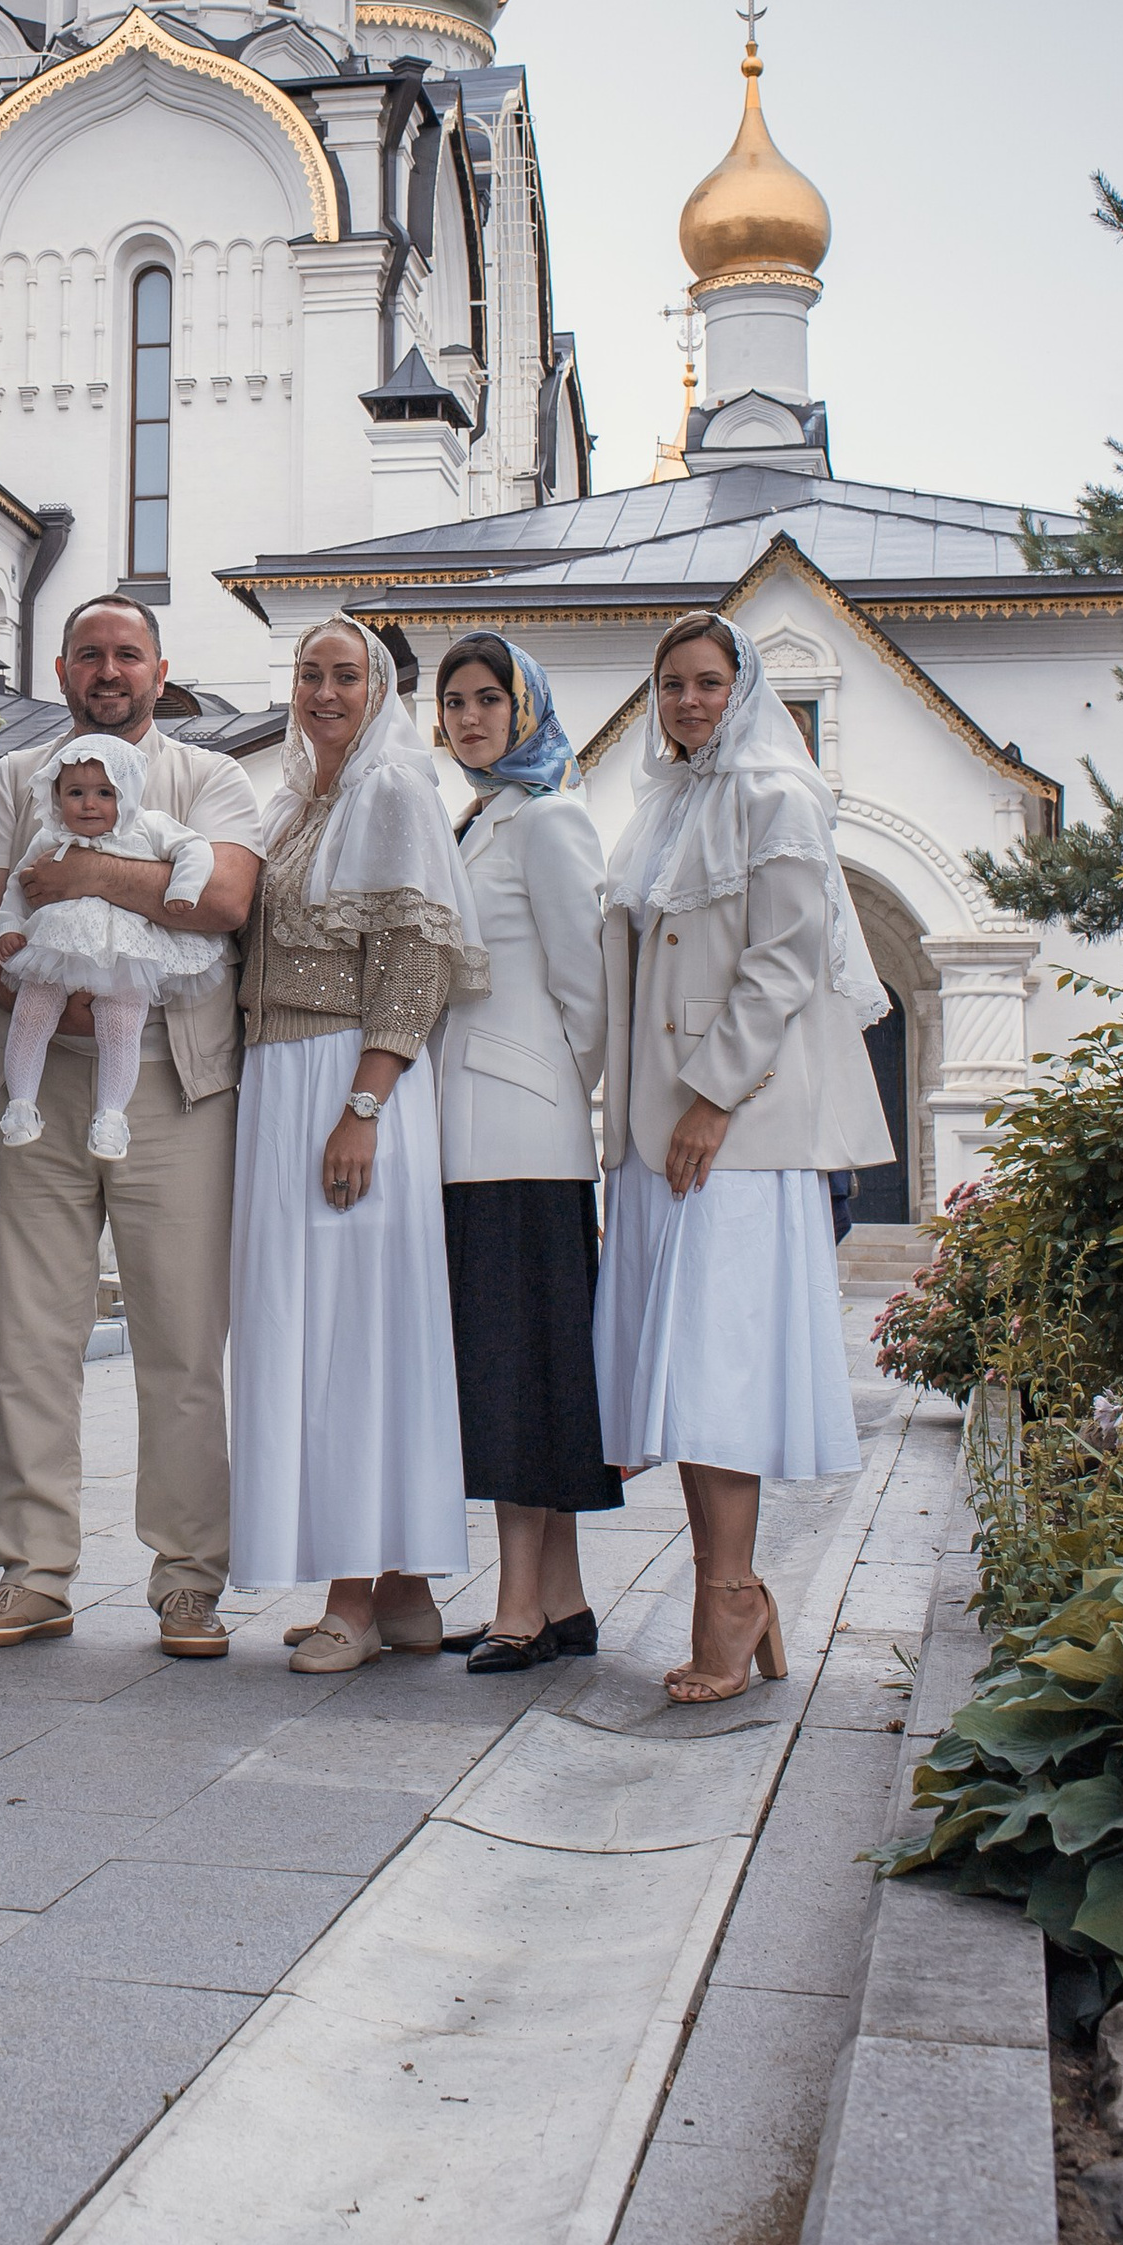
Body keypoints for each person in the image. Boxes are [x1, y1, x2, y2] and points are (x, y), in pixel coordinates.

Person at [0, 594, 261, 1657]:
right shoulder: (9, 779)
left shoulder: (208, 777)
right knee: (33, 1335)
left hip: (173, 1080)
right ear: (60, 668)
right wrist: (67, 999)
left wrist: (83, 875)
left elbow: (221, 902)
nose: (109, 670)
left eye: (128, 654)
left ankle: (185, 1581)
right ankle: (32, 1572)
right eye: (90, 654)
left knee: (181, 1341)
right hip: (37, 1085)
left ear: (159, 670)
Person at [595, 613, 893, 1704]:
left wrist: (712, 1099)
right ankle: (732, 1587)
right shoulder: (661, 808)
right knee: (679, 1377)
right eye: (670, 683)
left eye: (708, 682)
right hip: (651, 1138)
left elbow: (781, 963)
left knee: (716, 1376)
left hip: (735, 1135)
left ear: (744, 689)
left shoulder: (777, 796)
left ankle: (727, 1600)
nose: (687, 701)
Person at [230, 619, 486, 1675]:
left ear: (378, 691)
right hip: (282, 1080)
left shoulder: (391, 791)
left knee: (351, 1333)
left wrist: (364, 1105)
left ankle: (352, 1591)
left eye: (345, 676)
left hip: (347, 1082)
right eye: (310, 673)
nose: (324, 692)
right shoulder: (296, 800)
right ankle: (405, 1588)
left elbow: (415, 960)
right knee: (326, 1326)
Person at [432, 633, 620, 1672]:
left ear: (527, 708)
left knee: (517, 1369)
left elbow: (586, 991)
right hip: (471, 1132)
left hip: (524, 1134)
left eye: (488, 700)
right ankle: (563, 1597)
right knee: (530, 1366)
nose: (469, 718)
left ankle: (517, 1607)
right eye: (455, 702)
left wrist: (551, 1088)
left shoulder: (548, 820)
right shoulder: (480, 817)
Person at [0, 733, 226, 1162]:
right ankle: (21, 1104)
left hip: (127, 954)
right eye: (75, 793)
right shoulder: (50, 839)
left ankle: (112, 1117)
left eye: (105, 793)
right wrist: (8, 927)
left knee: (121, 1024)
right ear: (57, 796)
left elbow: (195, 847)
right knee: (30, 1013)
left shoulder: (148, 827)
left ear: (128, 793)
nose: (88, 804)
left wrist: (184, 887)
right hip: (54, 948)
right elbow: (17, 886)